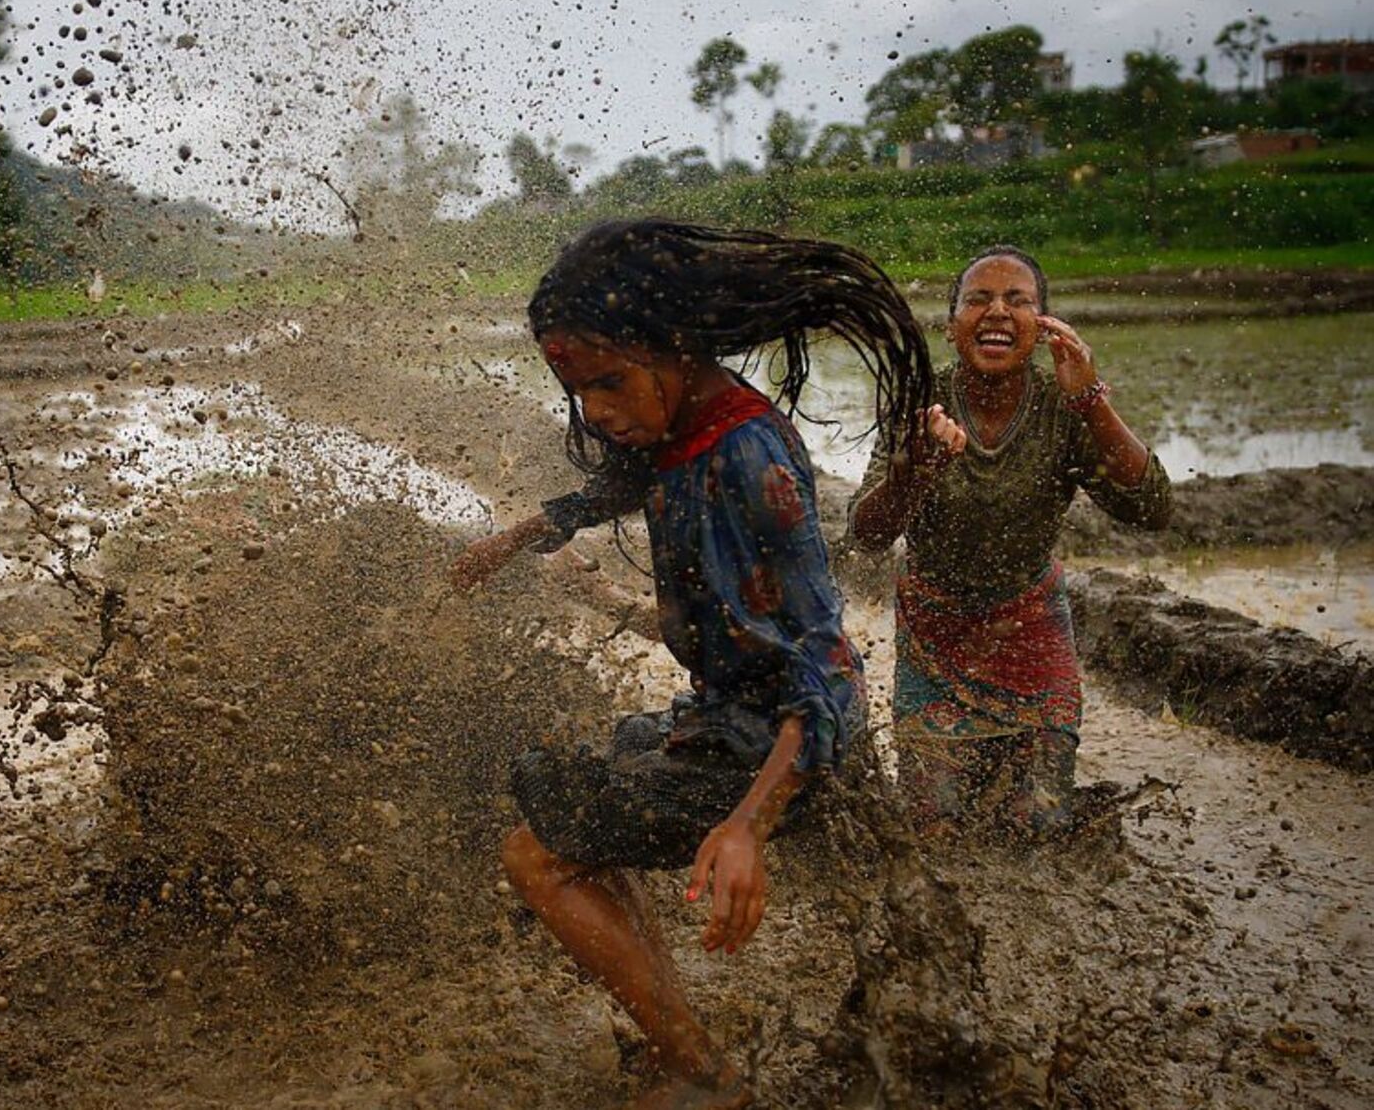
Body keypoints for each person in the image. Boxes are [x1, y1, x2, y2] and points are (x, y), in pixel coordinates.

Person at [488, 221, 933, 1108]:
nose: (599, 412)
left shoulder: (749, 456)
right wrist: (531, 532)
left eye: (611, 381)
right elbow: (628, 478)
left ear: (678, 350)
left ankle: (699, 1069)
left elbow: (828, 664)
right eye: (580, 391)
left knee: (537, 856)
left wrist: (748, 827)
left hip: (782, 748)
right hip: (725, 719)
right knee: (583, 800)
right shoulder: (682, 428)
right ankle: (680, 1043)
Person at [846, 246, 1171, 836]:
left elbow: (1151, 508)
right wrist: (911, 470)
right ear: (952, 327)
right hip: (936, 632)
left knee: (1036, 819)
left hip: (1030, 628)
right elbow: (866, 534)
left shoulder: (1063, 407)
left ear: (1043, 326)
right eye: (978, 300)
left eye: (1017, 301)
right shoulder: (919, 402)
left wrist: (1091, 400)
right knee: (933, 823)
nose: (997, 311)